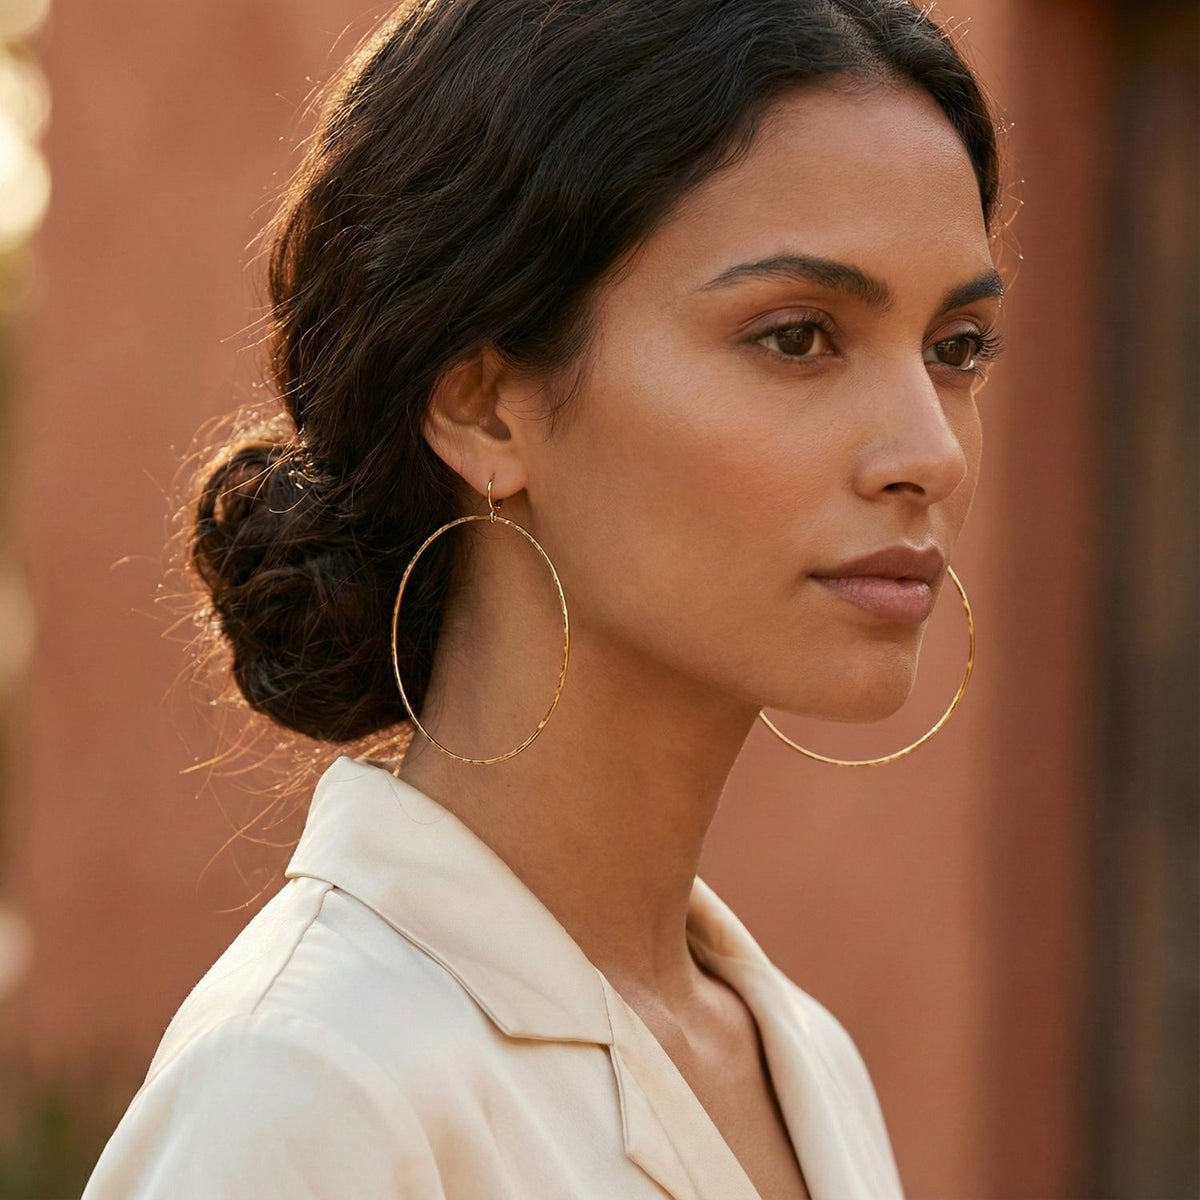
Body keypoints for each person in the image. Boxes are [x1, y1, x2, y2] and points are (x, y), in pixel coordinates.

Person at [82, 0, 1005, 1196]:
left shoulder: (803, 1061)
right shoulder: (309, 1091)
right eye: (797, 337)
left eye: (959, 346)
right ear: (482, 405)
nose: (928, 450)